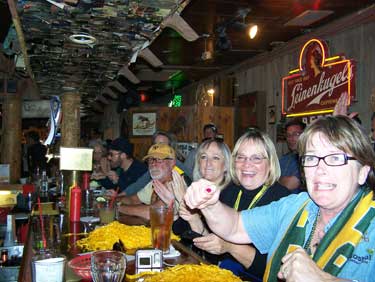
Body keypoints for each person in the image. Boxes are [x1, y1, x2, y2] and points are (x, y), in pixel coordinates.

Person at [184, 115, 375, 281]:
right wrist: (209, 204)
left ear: (362, 172)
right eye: (311, 158)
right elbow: (234, 225)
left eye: (335, 158)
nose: (320, 170)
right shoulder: (295, 206)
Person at [186, 129, 290, 281]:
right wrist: (193, 220)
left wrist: (230, 246)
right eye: (241, 157)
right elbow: (215, 251)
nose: (247, 165)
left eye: (256, 158)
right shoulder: (229, 191)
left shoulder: (283, 200)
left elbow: (276, 271)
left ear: (271, 163)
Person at [173, 138, 231, 236]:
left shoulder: (231, 194)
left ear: (225, 165)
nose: (208, 163)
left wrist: (184, 201)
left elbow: (217, 246)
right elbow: (178, 229)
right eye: (203, 157)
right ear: (199, 163)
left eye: (215, 158)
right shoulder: (198, 189)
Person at [117, 143, 187, 220]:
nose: (153, 164)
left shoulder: (176, 184)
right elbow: (134, 199)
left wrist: (117, 208)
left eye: (159, 160)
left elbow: (152, 212)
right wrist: (113, 200)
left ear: (172, 163)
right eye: (151, 160)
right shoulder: (155, 183)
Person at [120, 130, 189, 196]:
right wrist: (119, 195)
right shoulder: (154, 165)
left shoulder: (176, 167)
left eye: (162, 145)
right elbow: (139, 184)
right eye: (156, 145)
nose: (158, 148)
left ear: (170, 147)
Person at [278, 119, 306, 192]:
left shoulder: (308, 159)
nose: (291, 138)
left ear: (304, 135)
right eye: (288, 135)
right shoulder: (284, 159)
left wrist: (275, 179)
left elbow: (290, 184)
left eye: (296, 134)